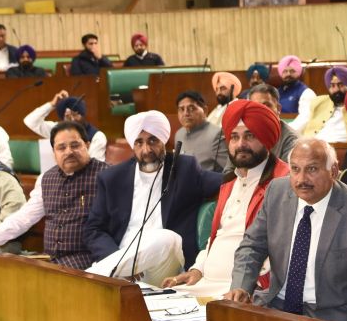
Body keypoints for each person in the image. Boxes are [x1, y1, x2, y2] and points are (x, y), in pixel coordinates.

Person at [224, 138, 347, 321]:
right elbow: (252, 246)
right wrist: (241, 286)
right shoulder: (277, 192)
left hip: (331, 318)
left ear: (334, 171)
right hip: (276, 307)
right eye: (295, 169)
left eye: (312, 169)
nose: (301, 179)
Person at [162, 100, 288, 296]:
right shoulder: (229, 182)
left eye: (250, 136)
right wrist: (197, 269)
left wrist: (250, 287)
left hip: (243, 290)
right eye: (234, 137)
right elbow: (216, 237)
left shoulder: (284, 182)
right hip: (205, 284)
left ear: (266, 138)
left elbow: (282, 247)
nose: (240, 145)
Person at [83, 110, 222, 285]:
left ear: (163, 140)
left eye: (153, 140)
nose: (146, 149)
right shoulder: (112, 178)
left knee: (166, 238)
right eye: (139, 142)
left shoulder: (184, 169)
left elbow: (226, 180)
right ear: (132, 145)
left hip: (163, 268)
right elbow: (94, 229)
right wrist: (121, 264)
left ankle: (84, 279)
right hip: (122, 267)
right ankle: (109, 273)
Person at [0, 121, 109, 269]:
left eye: (75, 145)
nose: (69, 152)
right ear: (54, 152)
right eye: (61, 147)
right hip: (52, 260)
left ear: (88, 145)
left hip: (91, 262)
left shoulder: (108, 176)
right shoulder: (47, 178)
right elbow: (23, 218)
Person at [23, 91, 107, 162]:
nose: (72, 119)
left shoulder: (97, 136)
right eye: (68, 116)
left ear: (83, 115)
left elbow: (95, 168)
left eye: (76, 115)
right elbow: (30, 121)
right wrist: (52, 105)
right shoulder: (58, 131)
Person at [174, 90, 228, 173]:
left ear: (205, 110)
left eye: (191, 108)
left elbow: (230, 171)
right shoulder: (179, 134)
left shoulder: (216, 135)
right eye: (181, 109)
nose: (185, 113)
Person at [247, 84, 298, 163]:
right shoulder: (242, 132)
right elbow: (229, 170)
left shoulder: (291, 139)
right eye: (255, 106)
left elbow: (285, 174)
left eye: (267, 105)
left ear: (278, 109)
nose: (261, 110)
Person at [302, 66, 347, 142]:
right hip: (313, 145)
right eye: (332, 86)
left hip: (342, 147)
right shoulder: (318, 102)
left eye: (340, 85)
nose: (336, 89)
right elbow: (302, 121)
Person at [277, 55, 316, 133]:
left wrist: (284, 132)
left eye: (292, 71)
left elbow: (305, 118)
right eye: (285, 71)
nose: (288, 74)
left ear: (298, 73)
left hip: (293, 134)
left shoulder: (306, 92)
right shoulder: (276, 92)